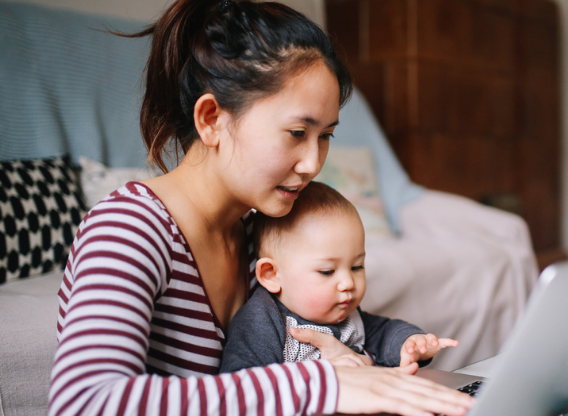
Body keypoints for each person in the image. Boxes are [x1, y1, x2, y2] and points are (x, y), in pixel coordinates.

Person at [48, 1, 473, 415]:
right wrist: (320, 386)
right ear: (212, 118)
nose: (313, 164)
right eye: (295, 132)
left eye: (325, 136)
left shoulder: (265, 231)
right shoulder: (128, 229)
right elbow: (85, 402)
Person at [220, 182, 458, 373]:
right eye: (327, 271)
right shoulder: (262, 322)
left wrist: (411, 343)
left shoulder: (347, 316)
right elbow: (244, 386)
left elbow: (384, 332)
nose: (348, 283)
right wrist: (319, 375)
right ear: (272, 275)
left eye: (357, 266)